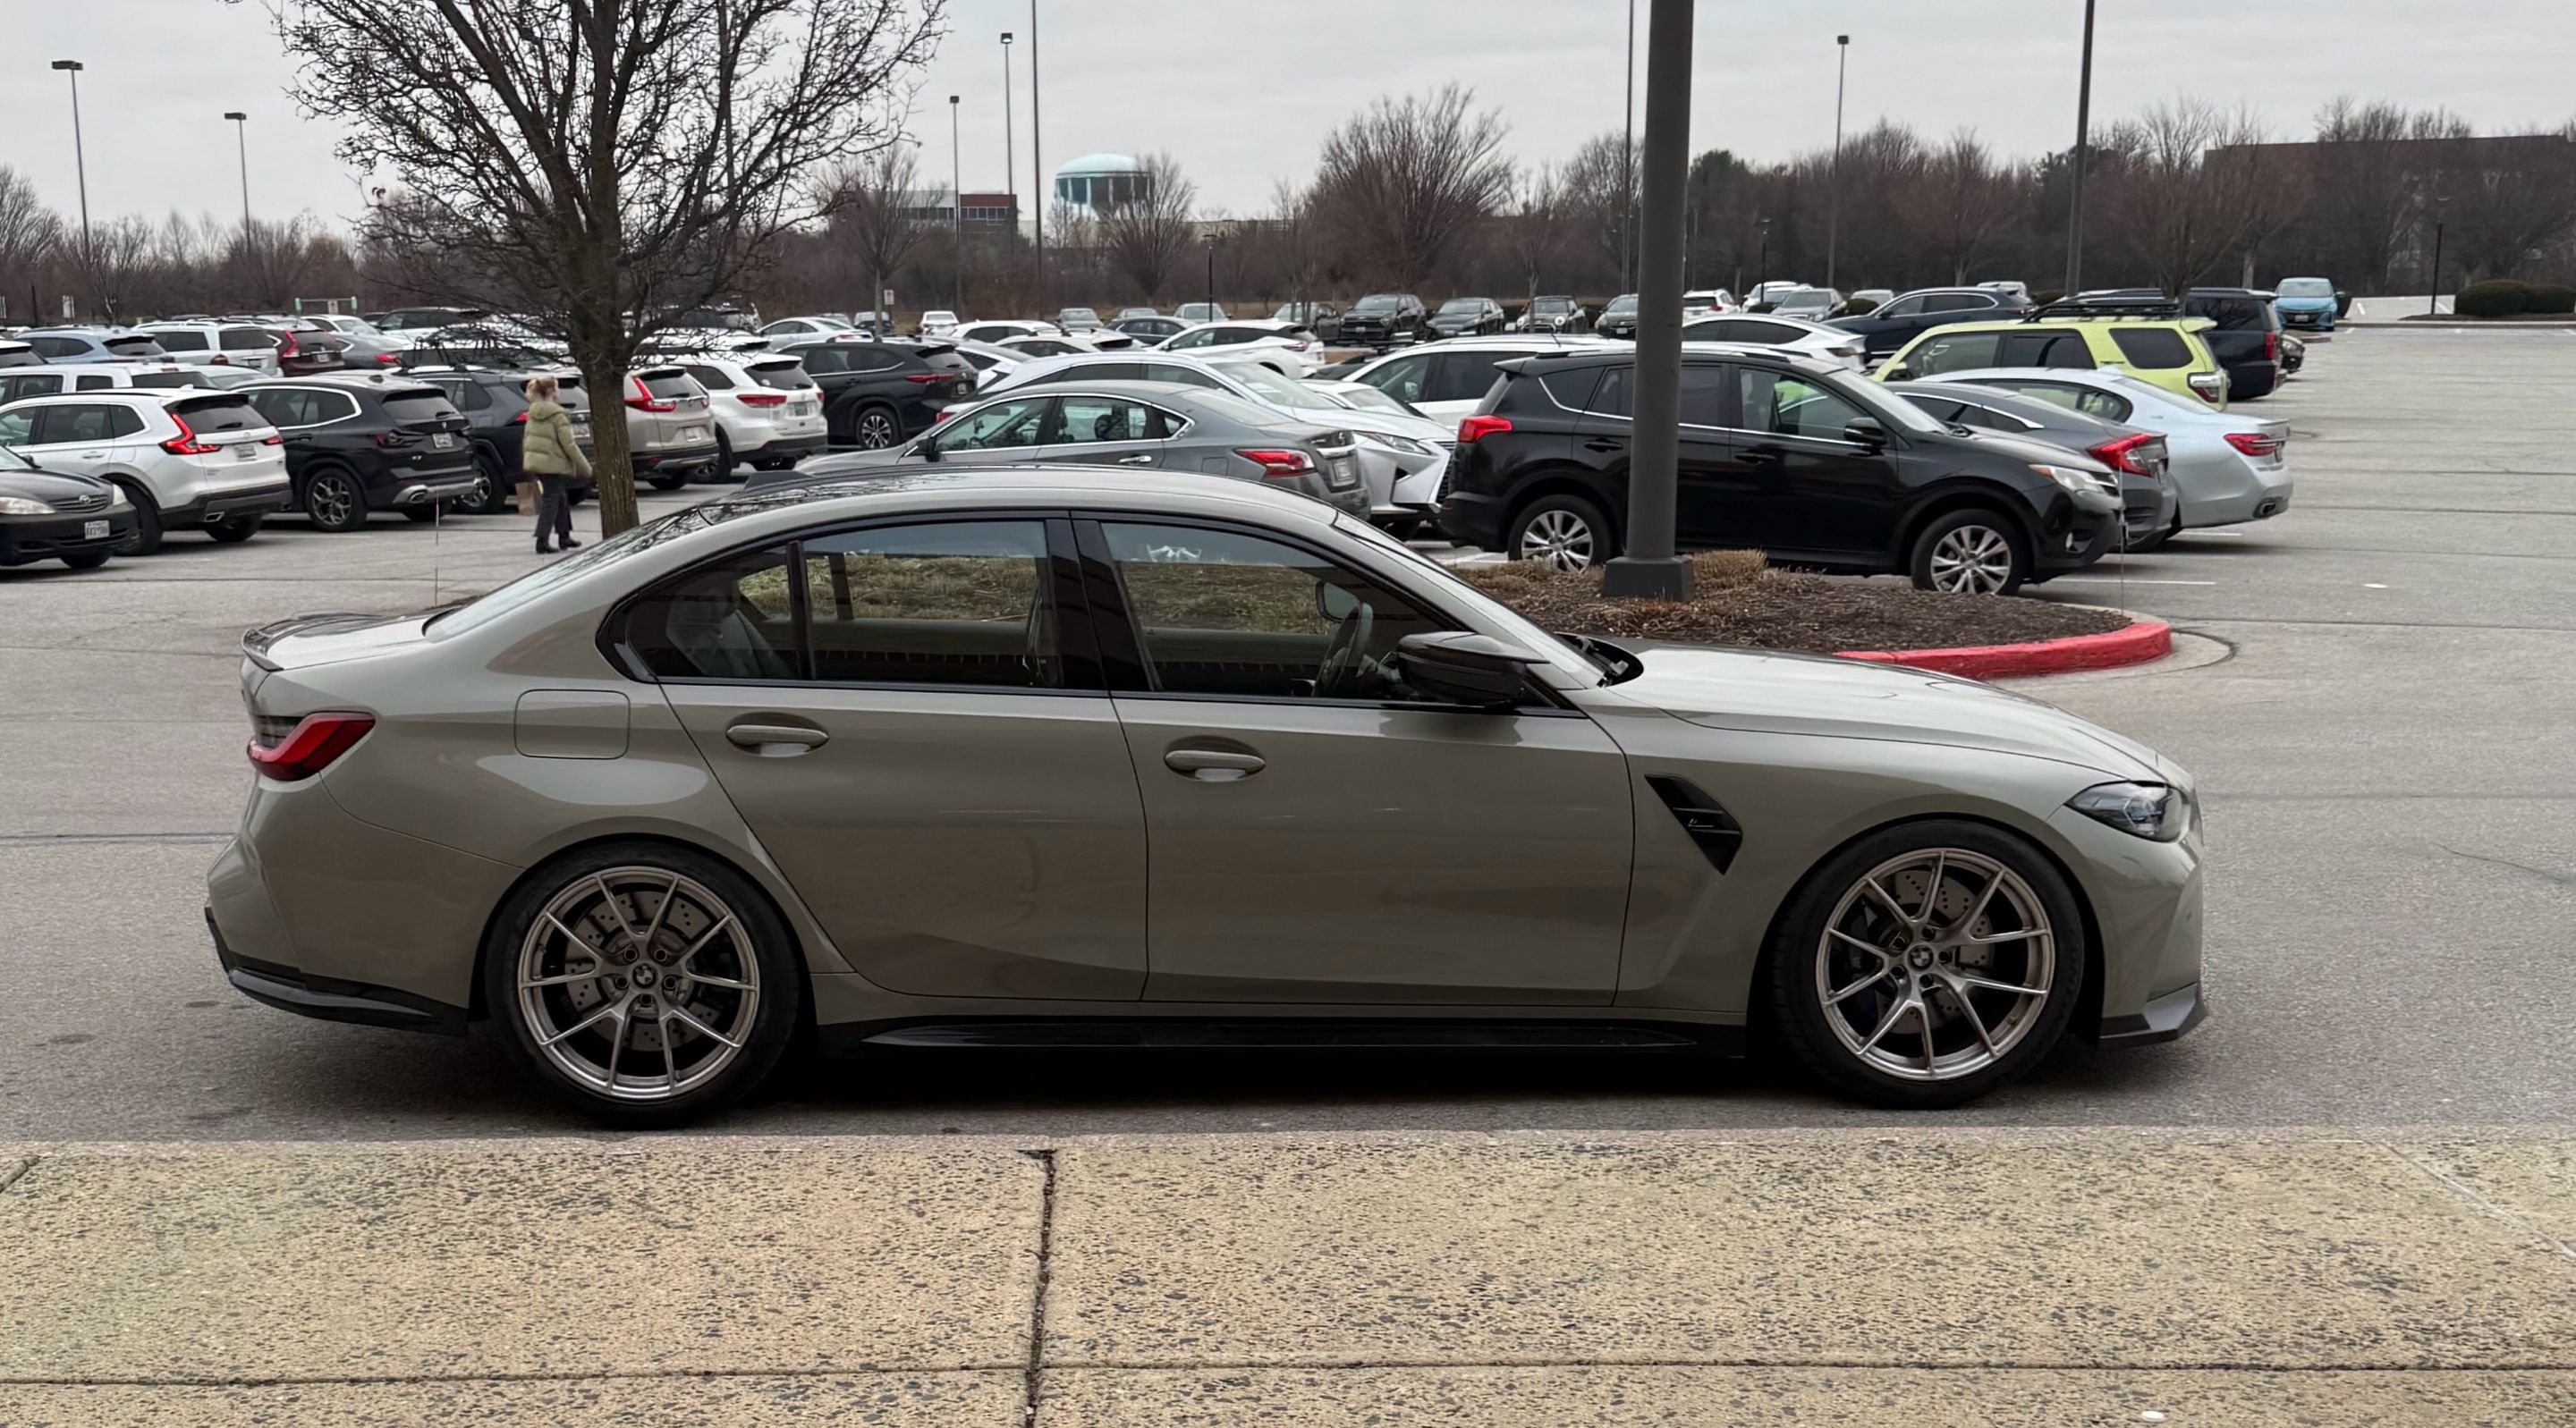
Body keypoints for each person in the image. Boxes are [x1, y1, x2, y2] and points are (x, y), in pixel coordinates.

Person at [518, 374, 591, 554]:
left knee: (561, 497)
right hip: (552, 463)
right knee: (552, 499)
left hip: (540, 462)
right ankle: (542, 540)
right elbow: (569, 444)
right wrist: (585, 466)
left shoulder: (534, 413)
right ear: (551, 391)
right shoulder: (557, 415)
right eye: (557, 388)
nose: (559, 391)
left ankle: (564, 536)